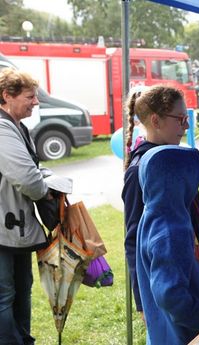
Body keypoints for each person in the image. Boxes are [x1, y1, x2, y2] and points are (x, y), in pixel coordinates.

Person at [121, 85, 199, 317]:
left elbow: (195, 218)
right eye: (180, 119)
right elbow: (133, 240)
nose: (186, 126)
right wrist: (143, 303)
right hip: (171, 282)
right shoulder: (140, 172)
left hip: (196, 270)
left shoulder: (176, 161)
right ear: (156, 121)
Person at [136, 145, 199, 344]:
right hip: (186, 336)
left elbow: (169, 269)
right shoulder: (172, 230)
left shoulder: (152, 215)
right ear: (181, 182)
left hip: (162, 333)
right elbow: (170, 295)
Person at [0, 68, 51, 344]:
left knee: (21, 291)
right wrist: (45, 189)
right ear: (7, 96)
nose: (36, 102)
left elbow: (32, 171)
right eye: (30, 96)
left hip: (14, 230)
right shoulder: (2, 128)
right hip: (3, 232)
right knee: (5, 296)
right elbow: (28, 179)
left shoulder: (17, 127)